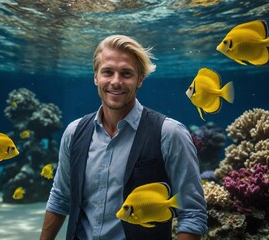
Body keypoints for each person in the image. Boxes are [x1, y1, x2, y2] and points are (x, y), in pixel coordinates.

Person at [40, 35, 208, 240]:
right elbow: (60, 198)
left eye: (126, 73)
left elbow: (192, 214)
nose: (116, 81)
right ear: (96, 77)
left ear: (140, 79)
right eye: (107, 72)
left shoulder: (170, 134)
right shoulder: (73, 132)